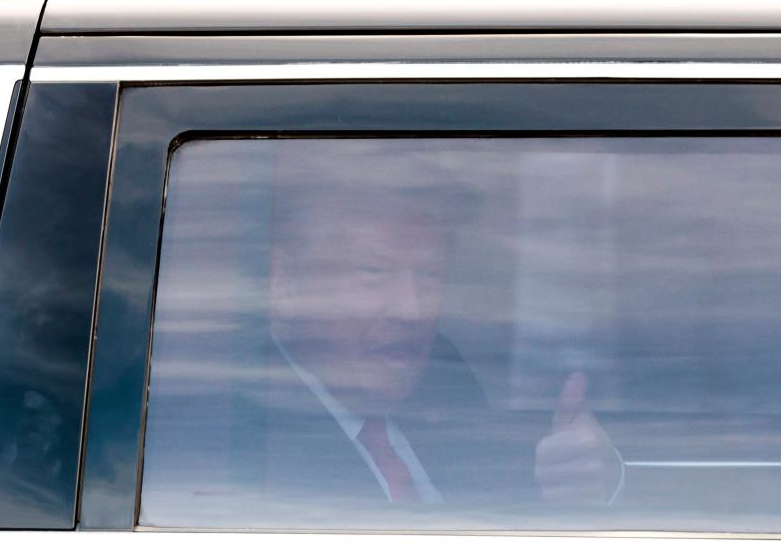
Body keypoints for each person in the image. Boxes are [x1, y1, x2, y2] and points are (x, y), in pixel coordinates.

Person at [244, 158, 622, 518]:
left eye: (429, 274)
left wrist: (588, 481)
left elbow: (505, 502)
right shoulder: (244, 433)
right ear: (285, 284)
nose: (411, 309)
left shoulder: (444, 380)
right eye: (373, 271)